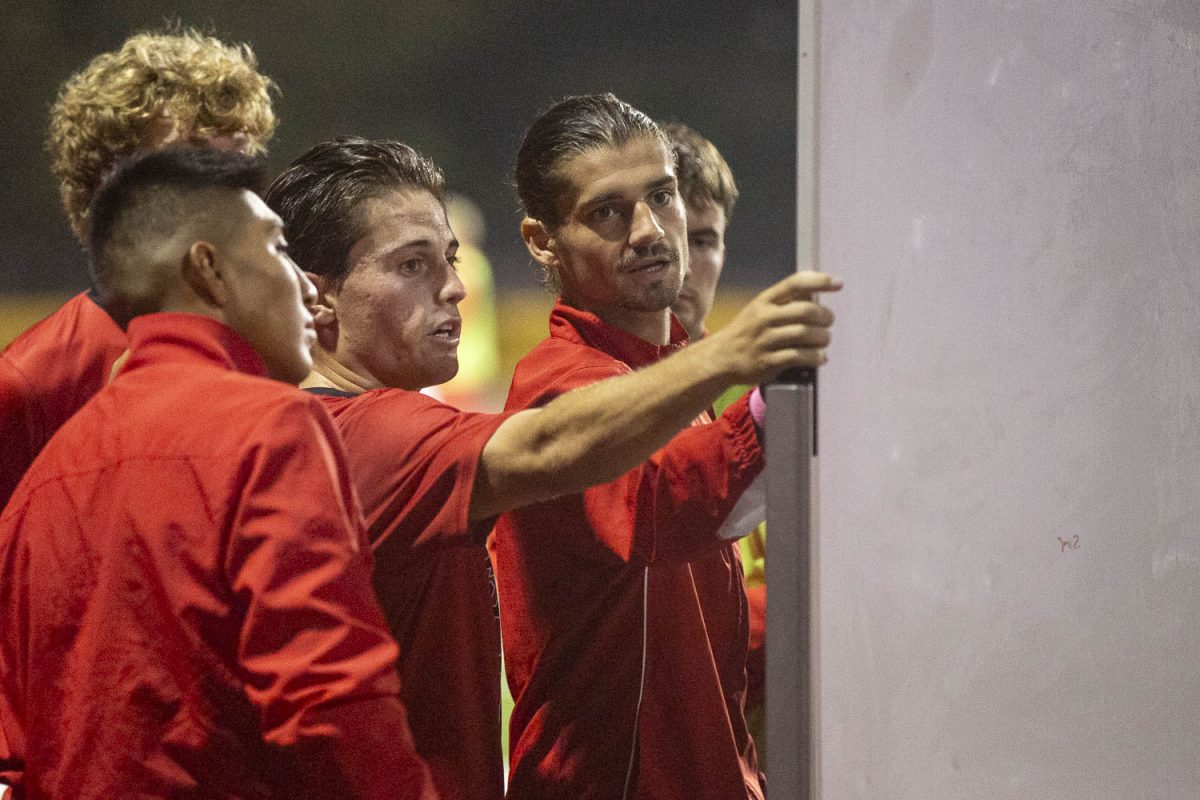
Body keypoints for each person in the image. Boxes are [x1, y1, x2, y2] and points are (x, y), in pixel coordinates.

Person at [264, 136, 836, 800]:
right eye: (413, 265)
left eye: (447, 258)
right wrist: (732, 360)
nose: (455, 287)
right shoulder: (372, 434)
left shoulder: (297, 428)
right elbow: (548, 448)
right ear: (317, 295)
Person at [0, 147, 435, 800]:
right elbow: (330, 702)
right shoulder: (274, 427)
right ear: (210, 271)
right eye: (280, 250)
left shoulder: (44, 480)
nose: (308, 286)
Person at [491, 93, 840, 800]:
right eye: (608, 212)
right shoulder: (558, 386)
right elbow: (662, 499)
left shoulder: (667, 378)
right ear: (540, 240)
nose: (650, 230)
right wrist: (769, 391)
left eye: (663, 196)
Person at [0, 28, 276, 508]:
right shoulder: (29, 385)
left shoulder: (277, 343)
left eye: (236, 168)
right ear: (107, 189)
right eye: (191, 166)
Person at [664, 119, 768, 764]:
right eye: (672, 239)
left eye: (704, 240)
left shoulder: (700, 386)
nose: (681, 265)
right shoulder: (601, 392)